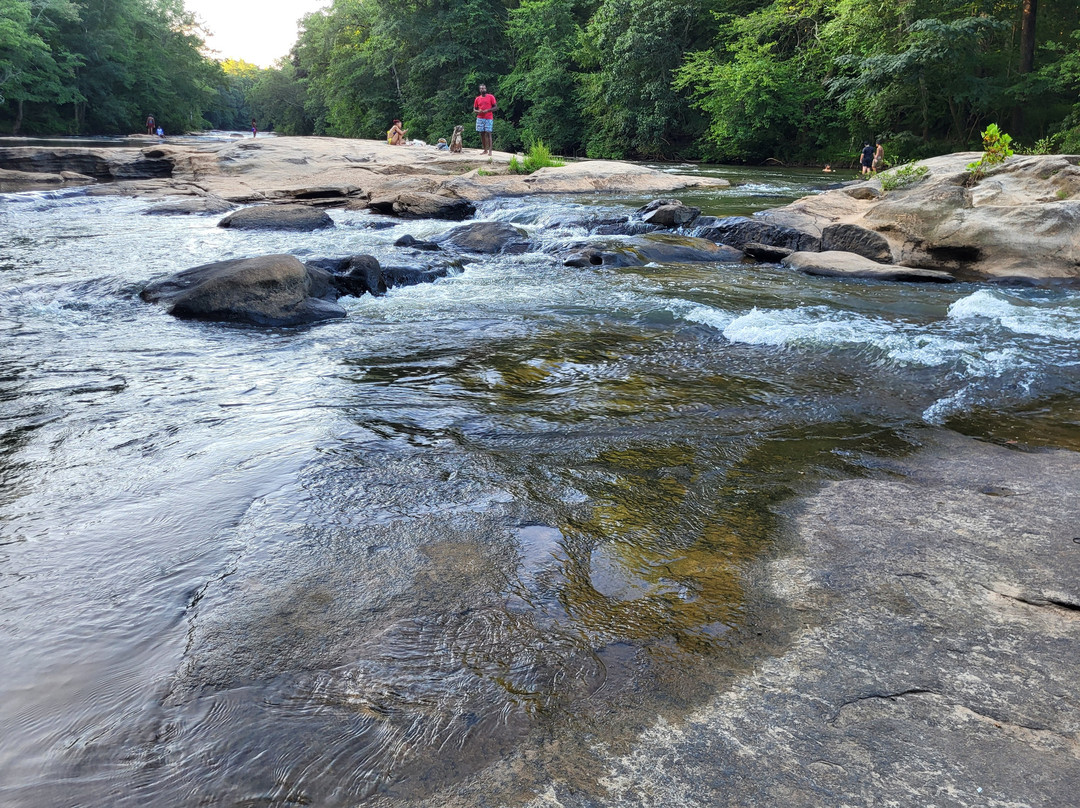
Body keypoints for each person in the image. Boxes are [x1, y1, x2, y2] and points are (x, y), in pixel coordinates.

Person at [473, 83, 497, 155]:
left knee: (488, 133)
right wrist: (478, 111)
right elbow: (474, 109)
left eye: (483, 88)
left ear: (486, 89)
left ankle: (490, 151)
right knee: (482, 133)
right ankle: (485, 150)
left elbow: (495, 107)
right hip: (480, 118)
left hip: (488, 117)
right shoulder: (477, 99)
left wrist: (488, 110)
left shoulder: (491, 97)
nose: (482, 89)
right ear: (479, 90)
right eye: (481, 88)